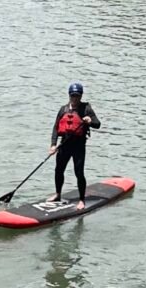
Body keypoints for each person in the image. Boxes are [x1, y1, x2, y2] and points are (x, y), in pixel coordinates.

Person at [48, 82, 101, 210]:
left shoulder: (86, 109)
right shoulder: (63, 109)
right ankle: (58, 194)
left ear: (81, 96)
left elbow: (98, 124)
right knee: (58, 170)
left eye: (77, 96)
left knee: (79, 173)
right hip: (64, 145)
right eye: (73, 95)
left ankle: (82, 200)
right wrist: (53, 145)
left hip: (78, 147)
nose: (75, 98)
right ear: (69, 95)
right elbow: (56, 128)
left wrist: (90, 121)